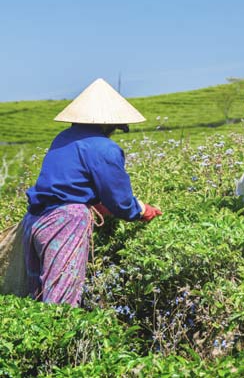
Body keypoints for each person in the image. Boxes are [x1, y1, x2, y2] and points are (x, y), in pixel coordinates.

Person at [22, 78, 162, 306]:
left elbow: (69, 182)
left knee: (36, 295)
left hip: (35, 219)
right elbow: (119, 199)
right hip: (64, 221)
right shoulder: (104, 148)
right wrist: (141, 210)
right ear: (110, 124)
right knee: (60, 299)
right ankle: (60, 340)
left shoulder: (64, 138)